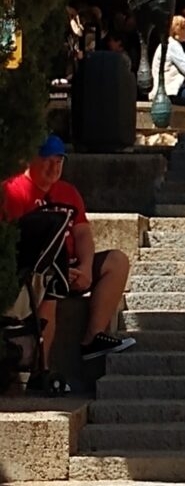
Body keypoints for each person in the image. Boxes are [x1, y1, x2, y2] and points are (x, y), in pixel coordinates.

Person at [1, 136, 136, 370]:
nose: (54, 169)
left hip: (71, 265)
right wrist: (60, 270)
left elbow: (82, 234)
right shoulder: (12, 191)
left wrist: (85, 267)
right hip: (37, 269)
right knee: (50, 288)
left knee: (117, 261)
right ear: (31, 160)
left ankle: (93, 338)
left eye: (59, 162)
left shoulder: (68, 192)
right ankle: (40, 368)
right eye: (48, 162)